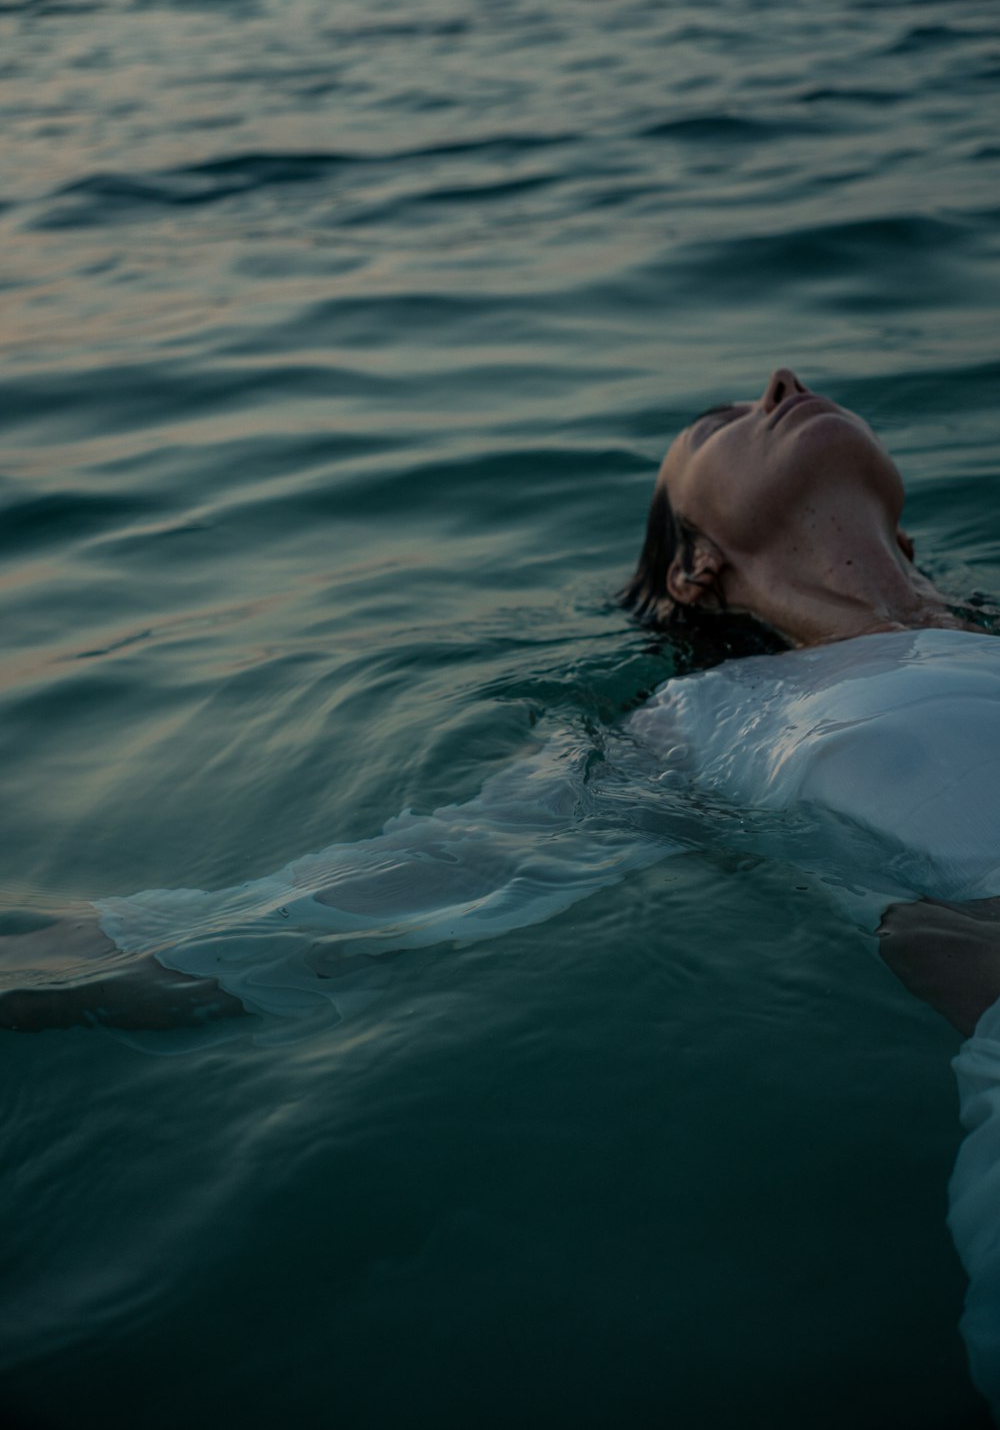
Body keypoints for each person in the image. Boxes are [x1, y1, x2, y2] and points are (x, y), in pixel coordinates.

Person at [2, 368, 999, 1411]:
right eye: (715, 423)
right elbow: (411, 886)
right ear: (696, 567)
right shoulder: (707, 720)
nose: (779, 382)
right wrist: (65, 959)